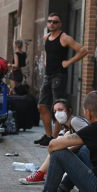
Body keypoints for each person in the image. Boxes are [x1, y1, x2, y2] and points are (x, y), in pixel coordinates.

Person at [34, 12, 88, 147]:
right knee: (41, 105)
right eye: (49, 21)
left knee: (59, 107)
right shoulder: (46, 37)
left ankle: (54, 136)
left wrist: (68, 62)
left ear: (60, 24)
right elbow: (48, 54)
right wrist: (46, 64)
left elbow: (83, 50)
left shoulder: (64, 38)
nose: (51, 24)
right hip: (49, 75)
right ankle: (48, 135)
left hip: (59, 75)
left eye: (55, 22)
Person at [19, 98, 88, 185]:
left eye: (60, 110)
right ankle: (42, 172)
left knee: (58, 147)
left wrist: (69, 150)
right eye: (55, 111)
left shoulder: (75, 121)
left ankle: (40, 173)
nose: (57, 113)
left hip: (86, 156)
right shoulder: (67, 126)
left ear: (69, 110)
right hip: (80, 154)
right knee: (61, 139)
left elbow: (88, 138)